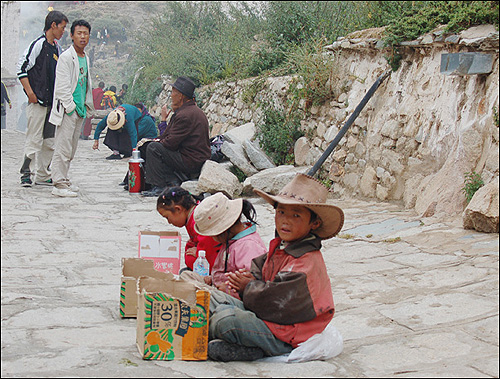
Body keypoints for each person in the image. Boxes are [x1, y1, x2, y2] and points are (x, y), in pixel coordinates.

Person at [206, 173, 345, 362]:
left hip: (287, 333)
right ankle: (241, 343)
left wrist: (247, 287)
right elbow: (259, 268)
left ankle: (266, 349)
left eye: (296, 215)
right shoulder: (283, 246)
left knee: (225, 320)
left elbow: (278, 303)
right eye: (281, 212)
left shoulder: (306, 262)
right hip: (266, 316)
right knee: (209, 297)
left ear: (315, 223)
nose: (285, 220)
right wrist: (245, 279)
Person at [16, 10, 68, 187]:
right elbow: (22, 68)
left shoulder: (57, 49)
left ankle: (43, 174)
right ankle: (26, 172)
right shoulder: (38, 45)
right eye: (62, 27)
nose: (63, 32)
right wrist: (30, 93)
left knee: (49, 140)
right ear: (53, 25)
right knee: (34, 138)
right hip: (38, 100)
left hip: (52, 103)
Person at [181, 192, 267, 299]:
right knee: (186, 275)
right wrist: (212, 278)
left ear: (224, 230)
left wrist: (228, 291)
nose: (212, 239)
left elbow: (253, 286)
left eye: (213, 235)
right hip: (219, 288)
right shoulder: (230, 241)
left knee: (201, 294)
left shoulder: (249, 246)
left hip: (231, 298)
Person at [141, 76, 211, 197]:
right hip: (193, 157)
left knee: (153, 148)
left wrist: (157, 142)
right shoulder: (190, 111)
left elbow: (170, 143)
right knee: (151, 146)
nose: (171, 95)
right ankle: (170, 180)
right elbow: (170, 138)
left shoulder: (185, 115)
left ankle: (159, 186)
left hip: (192, 160)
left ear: (181, 96)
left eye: (173, 92)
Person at [49, 19, 93, 197]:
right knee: (63, 147)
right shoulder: (66, 57)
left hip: (79, 109)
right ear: (72, 35)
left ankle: (64, 179)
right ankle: (58, 184)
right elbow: (61, 87)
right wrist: (70, 107)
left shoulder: (85, 57)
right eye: (79, 33)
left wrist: (83, 107)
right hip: (69, 110)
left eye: (85, 33)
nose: (82, 37)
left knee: (72, 147)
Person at [156, 187, 220, 273]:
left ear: (178, 209)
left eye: (167, 217)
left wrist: (198, 252)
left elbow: (208, 247)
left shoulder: (198, 219)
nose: (169, 222)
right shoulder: (191, 217)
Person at [92, 103, 158, 160]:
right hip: (123, 117)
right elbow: (100, 126)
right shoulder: (111, 116)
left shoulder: (129, 119)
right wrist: (96, 140)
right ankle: (116, 153)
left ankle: (128, 152)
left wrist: (134, 150)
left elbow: (133, 134)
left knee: (126, 134)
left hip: (135, 116)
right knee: (111, 131)